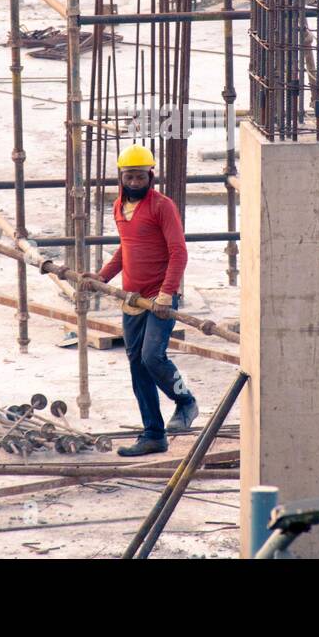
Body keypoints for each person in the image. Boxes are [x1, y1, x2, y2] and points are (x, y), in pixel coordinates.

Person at [96, 145, 199, 457]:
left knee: (152, 356)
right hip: (133, 301)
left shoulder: (162, 206)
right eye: (130, 176)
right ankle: (153, 434)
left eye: (141, 176)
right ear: (122, 177)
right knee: (138, 367)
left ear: (150, 176)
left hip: (159, 299)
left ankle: (185, 402)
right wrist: (102, 277)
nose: (135, 182)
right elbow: (125, 249)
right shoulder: (118, 207)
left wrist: (167, 293)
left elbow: (178, 251)